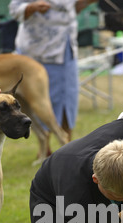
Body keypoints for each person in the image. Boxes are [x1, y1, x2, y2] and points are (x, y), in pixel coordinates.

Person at [9, 0, 97, 157]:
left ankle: (67, 148)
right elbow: (14, 9)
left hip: (64, 50)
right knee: (36, 105)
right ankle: (45, 148)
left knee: (66, 102)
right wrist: (32, 7)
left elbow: (74, 6)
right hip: (34, 52)